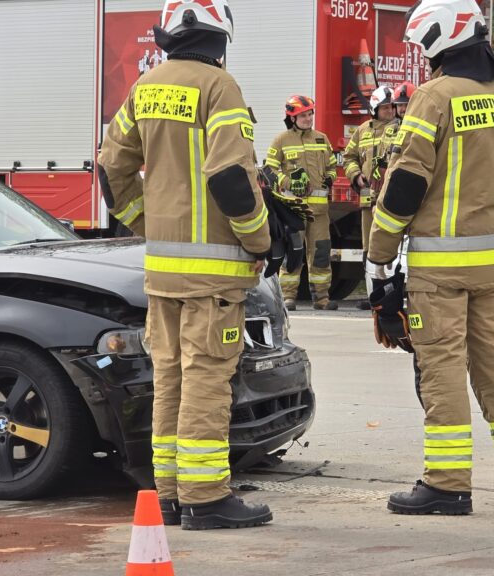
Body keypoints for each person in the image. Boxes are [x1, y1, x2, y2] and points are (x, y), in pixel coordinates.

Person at [97, 0, 273, 530]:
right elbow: (230, 177)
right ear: (220, 38)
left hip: (164, 268)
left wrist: (146, 225)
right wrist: (259, 239)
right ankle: (206, 498)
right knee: (207, 380)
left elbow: (111, 166)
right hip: (213, 274)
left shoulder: (146, 87)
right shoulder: (220, 87)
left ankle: (171, 493)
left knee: (170, 376)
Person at [368, 0, 494, 515]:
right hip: (492, 266)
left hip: (438, 272)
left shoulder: (435, 97)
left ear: (444, 38)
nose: (425, 57)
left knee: (441, 369)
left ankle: (447, 484)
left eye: (426, 46)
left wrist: (378, 257)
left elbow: (405, 183)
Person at [265, 96, 339, 311]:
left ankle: (322, 298)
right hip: (293, 209)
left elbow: (332, 167)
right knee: (293, 253)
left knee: (321, 253)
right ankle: (287, 297)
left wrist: (330, 178)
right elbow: (270, 169)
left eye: (310, 114)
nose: (308, 118)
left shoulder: (321, 139)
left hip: (319, 211)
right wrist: (287, 182)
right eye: (303, 115)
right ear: (292, 117)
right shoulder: (281, 140)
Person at [343, 86, 397, 310]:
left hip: (390, 200)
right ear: (375, 109)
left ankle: (393, 291)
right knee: (370, 248)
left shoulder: (399, 128)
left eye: (392, 107)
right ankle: (373, 293)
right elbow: (349, 158)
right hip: (368, 200)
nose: (390, 111)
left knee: (391, 246)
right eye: (385, 108)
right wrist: (355, 175)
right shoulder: (363, 130)